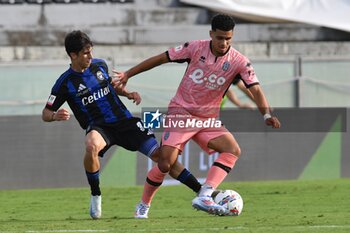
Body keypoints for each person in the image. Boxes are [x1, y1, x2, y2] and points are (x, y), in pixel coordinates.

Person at [113, 14, 281, 218]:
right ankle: (143, 205)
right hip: (181, 113)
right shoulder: (194, 48)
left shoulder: (239, 61)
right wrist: (128, 74)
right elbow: (161, 58)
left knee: (232, 150)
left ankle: (206, 194)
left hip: (207, 119)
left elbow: (255, 89)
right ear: (211, 34)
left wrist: (266, 114)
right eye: (220, 38)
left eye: (228, 38)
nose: (224, 42)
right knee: (165, 163)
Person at [41, 30, 202, 220]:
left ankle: (201, 192)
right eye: (86, 53)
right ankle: (96, 194)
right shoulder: (64, 83)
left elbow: (110, 87)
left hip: (124, 122)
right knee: (91, 144)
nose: (90, 56)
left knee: (162, 158)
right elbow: (45, 113)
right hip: (100, 127)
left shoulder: (99, 65)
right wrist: (55, 116)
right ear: (73, 55)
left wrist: (128, 93)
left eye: (91, 51)